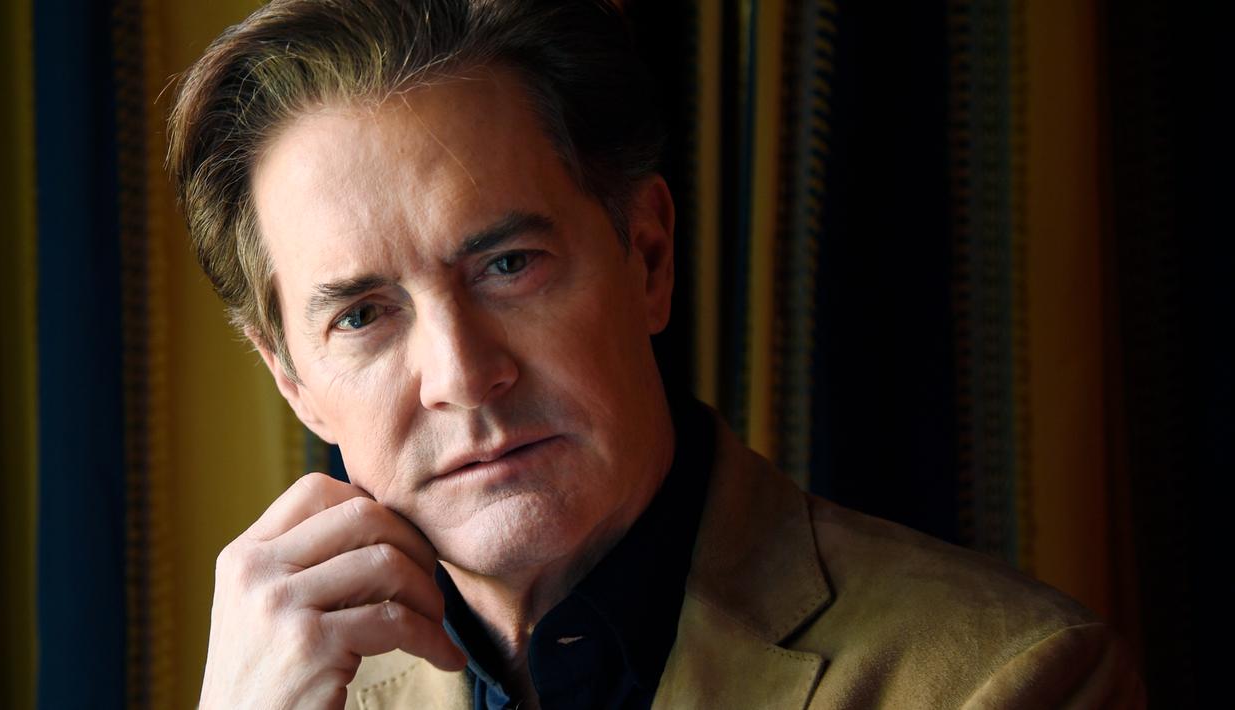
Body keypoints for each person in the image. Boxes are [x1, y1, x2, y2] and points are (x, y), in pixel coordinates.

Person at [167, 1, 1144, 707]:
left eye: (508, 264)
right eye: (362, 317)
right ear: (293, 383)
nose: (462, 375)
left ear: (647, 256)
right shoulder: (290, 691)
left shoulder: (1009, 680)